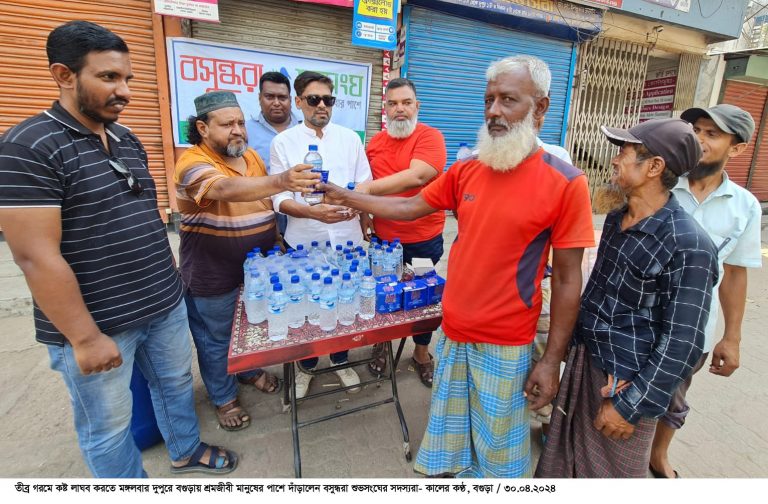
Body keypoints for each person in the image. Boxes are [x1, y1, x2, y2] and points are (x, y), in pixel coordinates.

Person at [319, 55, 595, 477]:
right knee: (456, 444)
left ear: (540, 107)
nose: (494, 112)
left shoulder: (566, 182)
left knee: (499, 454)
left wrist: (550, 360)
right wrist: (348, 196)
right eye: (488, 100)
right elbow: (412, 205)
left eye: (508, 100)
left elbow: (569, 279)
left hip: (506, 341)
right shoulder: (468, 168)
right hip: (453, 330)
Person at [0, 21, 237, 476]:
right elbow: (34, 256)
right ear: (64, 75)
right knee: (107, 427)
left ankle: (185, 450)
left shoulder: (127, 140)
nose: (124, 90)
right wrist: (85, 338)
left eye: (127, 78)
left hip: (162, 303)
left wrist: (172, 287)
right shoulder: (28, 147)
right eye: (108, 77)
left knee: (174, 386)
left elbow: (143, 218)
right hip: (100, 321)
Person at [535, 118, 720, 478]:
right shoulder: (619, 220)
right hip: (588, 365)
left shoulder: (688, 244)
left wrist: (630, 406)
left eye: (625, 152)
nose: (615, 160)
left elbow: (682, 343)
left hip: (626, 384)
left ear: (654, 167)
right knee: (565, 465)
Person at [174, 91, 319, 431]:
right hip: (212, 273)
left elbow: (263, 203)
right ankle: (224, 399)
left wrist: (279, 242)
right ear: (203, 128)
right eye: (227, 124)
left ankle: (248, 370)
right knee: (217, 338)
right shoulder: (192, 162)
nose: (238, 130)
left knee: (250, 329)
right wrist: (283, 180)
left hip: (258, 270)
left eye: (241, 122)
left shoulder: (251, 156)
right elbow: (223, 190)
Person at [648, 104, 763, 478]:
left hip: (690, 329)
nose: (699, 139)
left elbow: (734, 274)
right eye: (696, 129)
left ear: (738, 148)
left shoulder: (743, 206)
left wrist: (732, 337)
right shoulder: (659, 181)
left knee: (674, 396)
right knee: (610, 388)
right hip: (636, 317)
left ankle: (657, 454)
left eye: (713, 134)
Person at [270, 71, 372, 398]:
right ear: (299, 102)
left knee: (344, 306)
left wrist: (357, 205)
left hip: (348, 242)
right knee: (310, 310)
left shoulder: (350, 138)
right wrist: (313, 212)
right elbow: (279, 198)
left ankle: (341, 361)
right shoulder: (283, 142)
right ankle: (307, 367)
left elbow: (365, 183)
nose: (322, 106)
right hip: (304, 242)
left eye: (329, 100)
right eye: (314, 99)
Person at [357, 77, 447, 387]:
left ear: (416, 106)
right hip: (384, 242)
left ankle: (421, 353)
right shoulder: (375, 143)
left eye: (406, 103)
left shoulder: (430, 137)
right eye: (393, 103)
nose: (400, 110)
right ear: (385, 109)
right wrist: (363, 211)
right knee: (384, 297)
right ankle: (381, 346)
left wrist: (365, 191)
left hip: (424, 241)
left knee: (423, 301)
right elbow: (362, 182)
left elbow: (418, 175)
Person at [246, 71, 300, 236]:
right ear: (259, 98)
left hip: (300, 212)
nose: (276, 103)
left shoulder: (305, 129)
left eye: (282, 97)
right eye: (269, 97)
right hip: (261, 213)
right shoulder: (244, 131)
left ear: (290, 100)